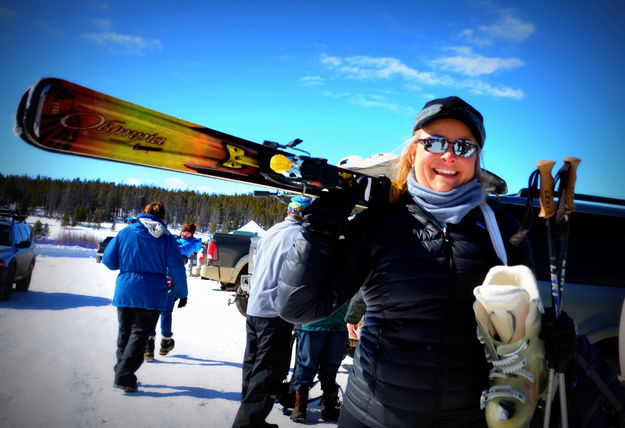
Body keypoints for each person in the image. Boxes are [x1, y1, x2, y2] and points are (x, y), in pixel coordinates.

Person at [276, 96, 537, 427]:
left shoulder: (503, 230)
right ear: (414, 151)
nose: (449, 154)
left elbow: (522, 326)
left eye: (464, 147)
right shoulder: (379, 224)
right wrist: (322, 227)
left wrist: (552, 337)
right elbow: (299, 308)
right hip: (373, 415)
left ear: (476, 158)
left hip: (470, 417)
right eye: (435, 142)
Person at [232, 195, 313, 428]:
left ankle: (250, 416)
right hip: (274, 311)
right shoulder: (300, 236)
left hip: (256, 307)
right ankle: (248, 423)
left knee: (253, 364)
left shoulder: (272, 231)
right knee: (268, 370)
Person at [103, 201, 188, 393]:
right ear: (162, 217)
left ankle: (122, 372)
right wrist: (182, 293)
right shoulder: (166, 239)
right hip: (151, 294)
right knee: (139, 335)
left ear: (144, 213)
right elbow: (176, 268)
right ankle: (124, 376)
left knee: (125, 333)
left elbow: (109, 260)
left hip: (126, 290)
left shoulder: (126, 232)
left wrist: (127, 263)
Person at [145, 222, 202, 360]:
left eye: (187, 233)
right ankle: (155, 344)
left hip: (169, 279)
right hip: (164, 277)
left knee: (160, 311)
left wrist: (170, 244)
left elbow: (179, 251)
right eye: (183, 232)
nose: (184, 234)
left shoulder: (191, 243)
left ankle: (158, 344)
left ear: (192, 234)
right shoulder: (175, 240)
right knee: (159, 311)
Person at [289, 302, 349, 423]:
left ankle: (329, 407)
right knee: (306, 367)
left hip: (338, 326)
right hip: (312, 326)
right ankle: (300, 407)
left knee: (331, 368)